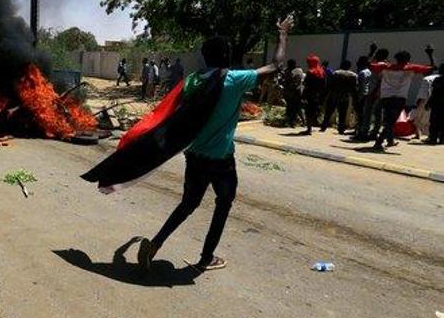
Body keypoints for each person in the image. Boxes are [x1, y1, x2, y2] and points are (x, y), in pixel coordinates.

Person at [133, 16, 293, 272]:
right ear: (227, 54)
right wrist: (283, 34)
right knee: (223, 203)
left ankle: (154, 244)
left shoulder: (194, 80)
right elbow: (276, 65)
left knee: (188, 204)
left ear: (205, 57)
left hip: (195, 155)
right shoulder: (234, 79)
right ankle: (206, 258)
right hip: (221, 160)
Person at [370, 51, 434, 151]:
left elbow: (369, 65)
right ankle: (378, 143)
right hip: (399, 99)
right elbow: (431, 68)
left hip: (385, 98)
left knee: (388, 120)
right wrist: (430, 55)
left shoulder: (385, 66)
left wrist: (371, 52)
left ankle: (390, 141)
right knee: (391, 122)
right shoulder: (411, 68)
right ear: (408, 60)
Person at [355, 48, 389, 141]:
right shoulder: (386, 65)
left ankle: (364, 133)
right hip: (380, 93)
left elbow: (368, 64)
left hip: (374, 92)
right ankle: (374, 132)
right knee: (378, 114)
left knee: (368, 113)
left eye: (377, 54)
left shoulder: (380, 65)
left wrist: (371, 52)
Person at [321, 60, 358, 134]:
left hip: (334, 94)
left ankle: (324, 126)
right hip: (345, 95)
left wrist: (325, 94)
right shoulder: (353, 75)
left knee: (329, 111)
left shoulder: (336, 73)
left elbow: (330, 84)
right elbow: (354, 87)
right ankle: (341, 129)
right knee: (342, 113)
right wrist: (354, 97)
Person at [301, 55, 327, 135]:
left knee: (308, 112)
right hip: (318, 95)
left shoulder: (310, 72)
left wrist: (303, 96)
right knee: (313, 112)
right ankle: (311, 128)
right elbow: (324, 85)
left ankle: (309, 129)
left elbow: (306, 85)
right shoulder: (322, 72)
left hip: (310, 95)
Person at [412, 67, 439, 140]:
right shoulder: (438, 77)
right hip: (438, 101)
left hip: (426, 101)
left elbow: (422, 94)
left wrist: (417, 103)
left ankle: (421, 134)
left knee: (418, 118)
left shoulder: (426, 79)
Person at [281, 59, 305, 128]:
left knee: (293, 108)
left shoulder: (292, 71)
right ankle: (292, 122)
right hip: (293, 92)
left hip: (293, 92)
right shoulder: (293, 71)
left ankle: (292, 122)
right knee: (294, 108)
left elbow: (296, 83)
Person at [425, 64, 444, 145]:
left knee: (434, 122)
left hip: (437, 104)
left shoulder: (438, 79)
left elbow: (434, 92)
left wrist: (428, 103)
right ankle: (442, 139)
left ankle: (433, 138)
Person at [354, 56, 372, 134]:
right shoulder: (370, 71)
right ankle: (361, 129)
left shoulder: (362, 73)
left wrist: (359, 97)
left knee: (360, 114)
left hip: (362, 94)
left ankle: (359, 130)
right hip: (368, 94)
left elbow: (361, 86)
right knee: (365, 114)